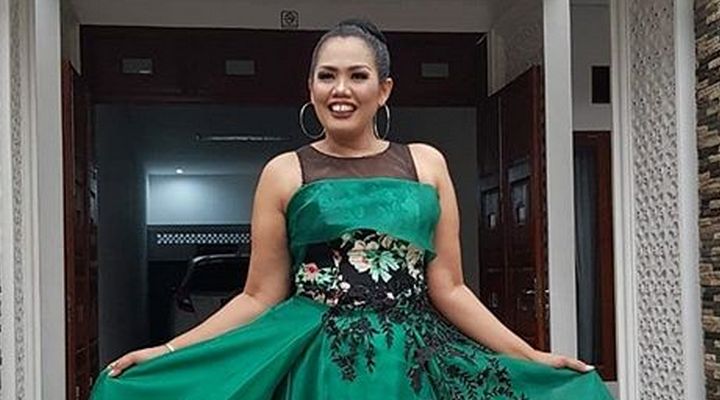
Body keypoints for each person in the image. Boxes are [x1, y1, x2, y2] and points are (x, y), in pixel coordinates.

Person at [90, 18, 614, 400]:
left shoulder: (426, 164)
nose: (340, 90)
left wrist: (530, 356)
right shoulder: (283, 172)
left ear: (383, 90)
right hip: (318, 361)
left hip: (413, 361)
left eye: (358, 76)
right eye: (327, 76)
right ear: (311, 87)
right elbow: (258, 295)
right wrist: (169, 352)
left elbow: (450, 288)